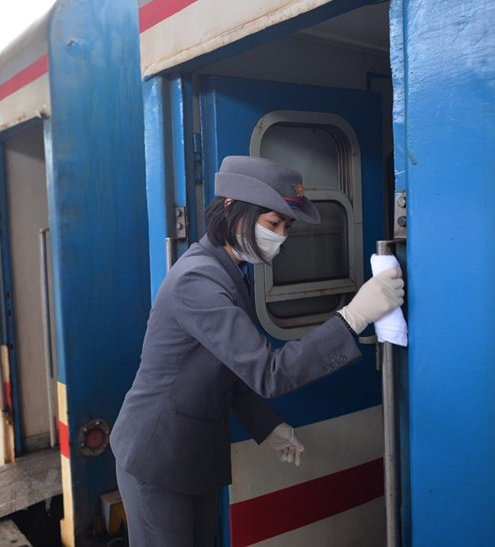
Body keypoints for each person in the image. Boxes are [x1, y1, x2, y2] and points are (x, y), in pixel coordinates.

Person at [110, 155, 405, 546]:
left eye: (287, 226)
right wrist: (351, 318)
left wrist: (267, 427)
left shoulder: (231, 271)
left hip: (191, 450)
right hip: (157, 454)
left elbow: (230, 369)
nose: (281, 235)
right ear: (233, 209)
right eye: (273, 223)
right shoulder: (198, 278)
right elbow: (268, 372)